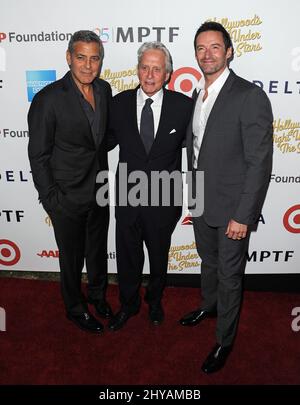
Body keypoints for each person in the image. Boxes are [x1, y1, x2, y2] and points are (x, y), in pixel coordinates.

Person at [179, 22, 273, 373]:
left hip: (233, 209)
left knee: (230, 275)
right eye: (201, 48)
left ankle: (224, 340)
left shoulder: (249, 96)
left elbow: (259, 163)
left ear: (229, 51)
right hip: (202, 202)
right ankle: (209, 304)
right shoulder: (196, 95)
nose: (207, 54)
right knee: (208, 262)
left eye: (215, 47)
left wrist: (244, 215)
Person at [28, 30, 113, 333]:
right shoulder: (47, 99)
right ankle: (75, 308)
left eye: (94, 58)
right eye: (81, 58)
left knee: (98, 251)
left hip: (100, 189)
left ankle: (99, 297)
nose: (88, 66)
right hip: (66, 196)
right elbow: (38, 155)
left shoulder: (104, 89)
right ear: (68, 58)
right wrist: (52, 199)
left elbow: (100, 141)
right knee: (72, 258)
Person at [107, 41, 193, 331]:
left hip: (163, 200)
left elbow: (197, 149)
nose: (150, 74)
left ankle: (154, 302)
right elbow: (101, 143)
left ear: (168, 74)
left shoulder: (184, 107)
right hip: (127, 197)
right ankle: (128, 304)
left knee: (159, 258)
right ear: (137, 70)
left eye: (157, 69)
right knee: (128, 256)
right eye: (145, 67)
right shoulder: (117, 104)